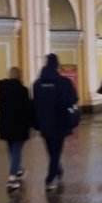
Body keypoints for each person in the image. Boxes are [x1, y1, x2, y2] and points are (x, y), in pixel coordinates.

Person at [33, 53, 78, 191]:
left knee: (51, 150)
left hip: (44, 122)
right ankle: (50, 177)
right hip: (60, 121)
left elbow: (35, 103)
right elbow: (73, 99)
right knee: (56, 151)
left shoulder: (37, 84)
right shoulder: (64, 82)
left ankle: (57, 170)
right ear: (57, 65)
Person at [0, 67, 33, 191]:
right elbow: (27, 108)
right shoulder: (23, 90)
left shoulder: (1, 89)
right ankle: (12, 178)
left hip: (6, 124)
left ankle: (18, 170)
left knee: (11, 148)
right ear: (20, 76)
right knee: (17, 149)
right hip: (19, 124)